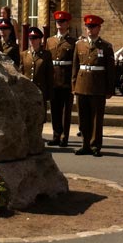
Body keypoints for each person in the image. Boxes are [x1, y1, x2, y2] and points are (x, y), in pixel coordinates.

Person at [72, 14, 115, 157]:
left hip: (98, 86)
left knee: (97, 118)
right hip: (82, 84)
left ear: (99, 28)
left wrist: (110, 89)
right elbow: (75, 66)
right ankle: (85, 144)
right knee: (83, 117)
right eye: (88, 27)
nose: (89, 29)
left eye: (93, 27)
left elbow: (110, 70)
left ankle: (95, 145)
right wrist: (74, 85)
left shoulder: (106, 46)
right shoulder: (79, 45)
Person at [46, 10, 76, 147]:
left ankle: (64, 136)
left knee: (65, 111)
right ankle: (56, 135)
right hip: (53, 79)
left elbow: (75, 63)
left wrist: (73, 81)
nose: (59, 24)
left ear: (67, 23)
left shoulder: (73, 42)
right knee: (54, 109)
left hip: (66, 79)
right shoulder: (50, 41)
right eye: (58, 22)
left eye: (62, 22)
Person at [20, 26, 53, 119]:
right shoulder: (24, 54)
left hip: (40, 91)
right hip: (26, 91)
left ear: (40, 40)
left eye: (35, 38)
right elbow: (21, 72)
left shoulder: (46, 55)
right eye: (30, 39)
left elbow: (49, 75)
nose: (32, 41)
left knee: (39, 118)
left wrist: (49, 94)